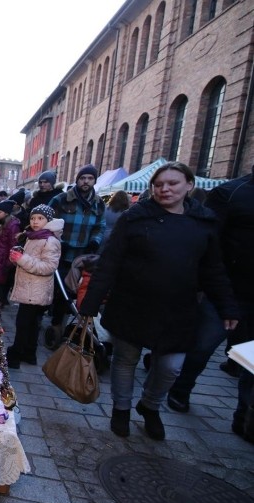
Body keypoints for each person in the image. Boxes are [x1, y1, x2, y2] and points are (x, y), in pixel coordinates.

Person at [79, 161, 239, 441]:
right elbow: (109, 263)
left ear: (189, 185)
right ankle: (121, 408)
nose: (165, 189)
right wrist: (89, 306)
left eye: (173, 183)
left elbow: (213, 269)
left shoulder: (203, 222)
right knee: (126, 360)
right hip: (133, 303)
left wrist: (226, 305)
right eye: (159, 184)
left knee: (170, 366)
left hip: (178, 310)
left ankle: (150, 404)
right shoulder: (135, 218)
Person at [200, 165, 254, 441]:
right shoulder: (233, 193)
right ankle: (182, 389)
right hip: (229, 287)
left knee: (250, 357)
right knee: (204, 344)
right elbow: (211, 244)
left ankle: (245, 416)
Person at [47, 165, 106, 340]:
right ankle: (57, 323)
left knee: (76, 291)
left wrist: (95, 241)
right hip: (61, 253)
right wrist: (58, 241)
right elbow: (47, 221)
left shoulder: (98, 203)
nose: (86, 181)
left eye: (89, 178)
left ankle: (71, 325)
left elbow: (100, 226)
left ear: (94, 180)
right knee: (60, 290)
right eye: (82, 178)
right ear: (77, 180)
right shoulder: (61, 199)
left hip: (83, 256)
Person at [6, 204, 62, 368]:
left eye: (40, 218)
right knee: (31, 324)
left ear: (48, 221)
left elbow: (48, 267)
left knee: (23, 324)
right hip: (29, 288)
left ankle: (15, 355)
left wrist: (22, 259)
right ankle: (29, 353)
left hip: (36, 291)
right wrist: (17, 256)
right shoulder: (33, 236)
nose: (35, 221)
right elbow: (29, 259)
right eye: (33, 218)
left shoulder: (50, 240)